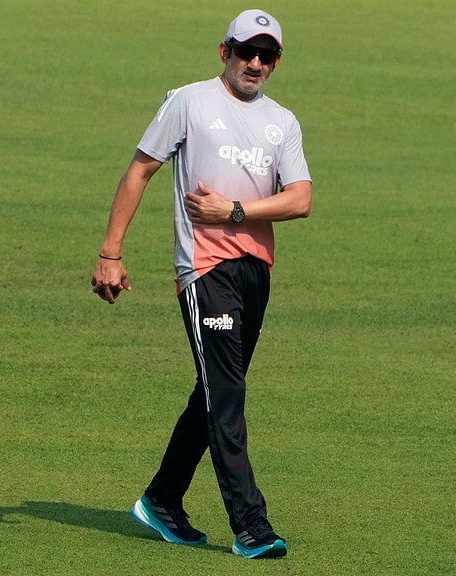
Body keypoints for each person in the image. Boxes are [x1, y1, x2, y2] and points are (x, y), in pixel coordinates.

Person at [89, 9, 311, 560]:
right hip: (204, 271)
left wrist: (235, 210)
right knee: (228, 394)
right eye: (245, 51)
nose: (255, 63)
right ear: (224, 51)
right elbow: (140, 169)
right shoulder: (188, 102)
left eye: (267, 55)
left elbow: (300, 198)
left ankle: (162, 500)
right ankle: (251, 526)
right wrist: (109, 253)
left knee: (215, 390)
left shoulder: (282, 122)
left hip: (256, 272)